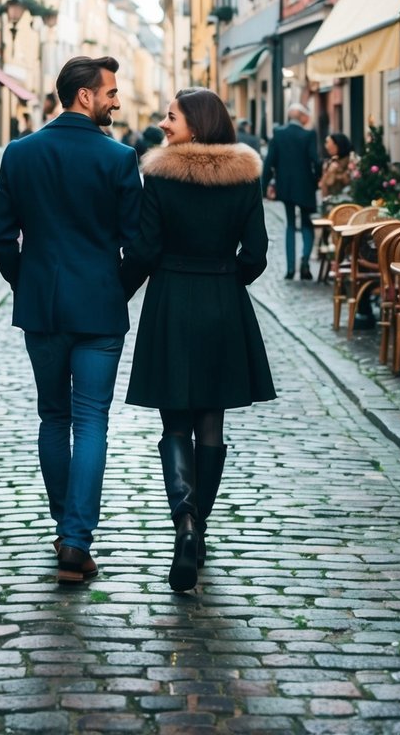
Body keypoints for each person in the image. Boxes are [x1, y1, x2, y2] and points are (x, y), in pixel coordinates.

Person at [0, 55, 142, 585]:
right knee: (91, 421)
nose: (116, 100)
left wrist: (24, 281)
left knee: (54, 418)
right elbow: (138, 244)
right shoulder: (120, 159)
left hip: (45, 307)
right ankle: (75, 541)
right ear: (84, 96)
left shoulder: (22, 153)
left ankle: (67, 531)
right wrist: (116, 289)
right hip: (99, 307)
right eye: (111, 92)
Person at [121, 87, 274, 593]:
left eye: (171, 117)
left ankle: (184, 521)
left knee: (175, 419)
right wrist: (226, 281)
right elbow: (256, 254)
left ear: (197, 124)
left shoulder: (159, 177)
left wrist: (119, 291)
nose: (164, 125)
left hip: (170, 301)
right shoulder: (245, 177)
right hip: (222, 301)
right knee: (211, 421)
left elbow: (143, 249)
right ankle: (199, 530)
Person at [261, 102, 321, 281]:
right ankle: (305, 262)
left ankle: (289, 269)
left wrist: (264, 187)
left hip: (285, 186)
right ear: (301, 117)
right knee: (306, 224)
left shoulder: (279, 134)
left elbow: (269, 163)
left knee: (289, 224)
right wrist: (317, 178)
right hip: (305, 186)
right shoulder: (308, 134)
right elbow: (315, 160)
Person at [319, 132, 355, 201]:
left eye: (328, 142)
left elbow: (350, 183)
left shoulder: (351, 160)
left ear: (337, 145)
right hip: (330, 202)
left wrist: (336, 172)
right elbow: (324, 186)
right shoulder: (329, 162)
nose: (326, 146)